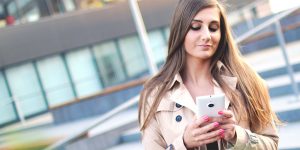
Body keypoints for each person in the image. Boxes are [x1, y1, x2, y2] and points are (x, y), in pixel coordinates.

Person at [138, 0, 281, 149]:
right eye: (196, 27)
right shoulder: (154, 93)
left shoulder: (246, 79)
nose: (206, 35)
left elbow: (271, 144)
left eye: (213, 28)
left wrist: (237, 135)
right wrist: (184, 143)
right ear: (180, 30)